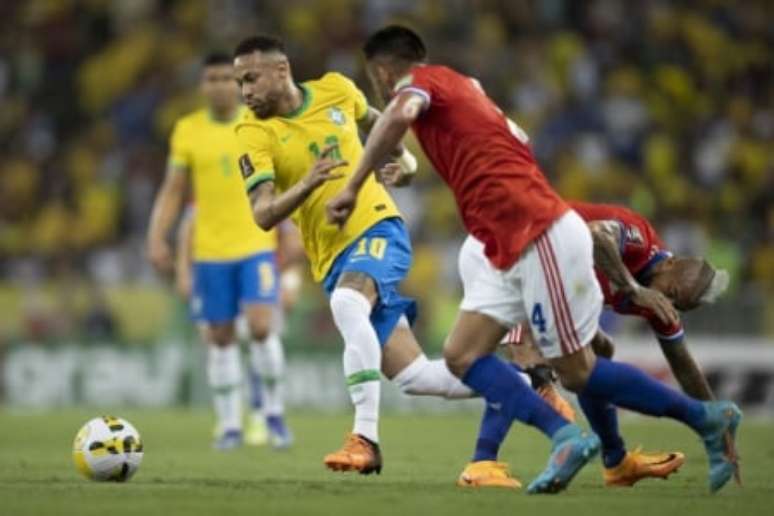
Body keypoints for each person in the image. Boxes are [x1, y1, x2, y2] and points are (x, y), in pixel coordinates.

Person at [327, 25, 741, 494]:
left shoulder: (426, 84)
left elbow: (402, 109)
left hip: (536, 232)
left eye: (376, 79)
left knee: (577, 369)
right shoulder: (469, 89)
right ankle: (567, 437)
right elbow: (508, 142)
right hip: (506, 240)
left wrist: (353, 184)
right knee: (464, 355)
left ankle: (702, 418)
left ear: (382, 71)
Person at [232, 35, 484, 475]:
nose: (245, 91)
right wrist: (308, 184)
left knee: (347, 302)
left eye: (251, 78)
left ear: (281, 69)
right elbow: (263, 215)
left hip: (378, 227)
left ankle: (365, 438)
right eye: (240, 83)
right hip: (331, 258)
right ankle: (530, 383)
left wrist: (405, 164)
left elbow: (384, 125)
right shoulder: (253, 133)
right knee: (417, 377)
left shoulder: (337, 90)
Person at [492, 200, 730, 487]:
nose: (670, 304)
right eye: (673, 292)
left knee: (598, 354)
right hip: (521, 244)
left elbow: (684, 364)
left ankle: (613, 460)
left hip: (555, 284)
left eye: (680, 305)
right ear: (669, 263)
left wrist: (718, 430)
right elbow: (594, 235)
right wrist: (634, 288)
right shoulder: (639, 238)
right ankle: (486, 460)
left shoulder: (660, 301)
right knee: (520, 362)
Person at [147, 52, 291, 450]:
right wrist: (156, 235)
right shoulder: (188, 130)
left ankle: (273, 414)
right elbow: (174, 191)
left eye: (227, 78)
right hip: (210, 252)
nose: (219, 85)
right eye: (211, 78)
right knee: (220, 337)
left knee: (262, 327)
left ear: (241, 81)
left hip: (256, 245)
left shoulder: (260, 123)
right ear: (201, 85)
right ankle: (229, 424)